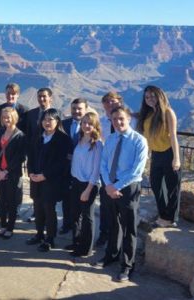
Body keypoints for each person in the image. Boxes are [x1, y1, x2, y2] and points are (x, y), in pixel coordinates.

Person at [95, 106, 148, 282]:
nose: (118, 122)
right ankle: (111, 255)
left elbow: (137, 170)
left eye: (121, 119)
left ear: (129, 119)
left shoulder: (139, 141)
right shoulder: (110, 139)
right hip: (109, 187)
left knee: (129, 228)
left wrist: (116, 185)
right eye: (114, 119)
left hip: (128, 188)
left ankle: (127, 265)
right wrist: (109, 185)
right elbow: (103, 163)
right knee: (112, 224)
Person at [26, 108, 73, 252]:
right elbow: (31, 156)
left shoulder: (63, 139)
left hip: (51, 181)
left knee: (49, 210)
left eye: (50, 119)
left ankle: (50, 238)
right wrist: (31, 173)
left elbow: (62, 163)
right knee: (38, 208)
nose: (47, 122)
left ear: (57, 121)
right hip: (36, 179)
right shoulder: (38, 136)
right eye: (45, 119)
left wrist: (45, 175)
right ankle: (39, 234)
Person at [136, 85, 181, 228]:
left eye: (153, 96)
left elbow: (173, 136)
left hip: (169, 153)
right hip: (156, 154)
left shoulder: (168, 112)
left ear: (160, 95)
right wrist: (128, 113)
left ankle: (171, 218)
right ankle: (163, 215)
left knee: (172, 187)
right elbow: (139, 117)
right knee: (156, 186)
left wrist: (177, 158)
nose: (150, 99)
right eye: (147, 97)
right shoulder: (148, 114)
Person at [68, 112, 103, 257]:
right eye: (84, 122)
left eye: (90, 123)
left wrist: (88, 189)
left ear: (95, 125)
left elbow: (96, 169)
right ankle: (76, 241)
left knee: (87, 216)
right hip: (76, 181)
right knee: (75, 214)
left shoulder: (97, 144)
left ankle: (86, 248)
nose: (86, 125)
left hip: (89, 184)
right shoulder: (80, 139)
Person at [0, 107, 26, 239]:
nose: (6, 119)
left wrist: (5, 171)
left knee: (12, 202)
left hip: (12, 174)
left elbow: (20, 157)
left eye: (9, 117)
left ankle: (10, 228)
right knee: (1, 201)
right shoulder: (0, 132)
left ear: (14, 118)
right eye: (4, 117)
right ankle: (2, 226)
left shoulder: (20, 135)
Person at [96, 91, 123, 247]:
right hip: (106, 169)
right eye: (106, 101)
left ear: (119, 102)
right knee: (105, 204)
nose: (110, 103)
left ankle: (118, 236)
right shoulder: (101, 122)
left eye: (113, 101)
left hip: (123, 170)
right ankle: (104, 234)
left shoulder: (129, 120)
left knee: (120, 205)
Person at [24, 87, 53, 223]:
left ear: (50, 98)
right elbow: (28, 135)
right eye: (40, 96)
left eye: (44, 96)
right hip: (34, 157)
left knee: (48, 190)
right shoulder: (31, 114)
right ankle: (36, 213)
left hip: (49, 159)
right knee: (35, 188)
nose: (42, 99)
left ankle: (48, 216)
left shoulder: (56, 114)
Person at [60, 98, 89, 235]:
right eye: (74, 109)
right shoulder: (63, 124)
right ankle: (66, 224)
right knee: (66, 199)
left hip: (83, 170)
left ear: (85, 110)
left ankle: (80, 228)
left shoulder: (89, 126)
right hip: (65, 169)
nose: (76, 111)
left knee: (81, 201)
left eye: (79, 109)